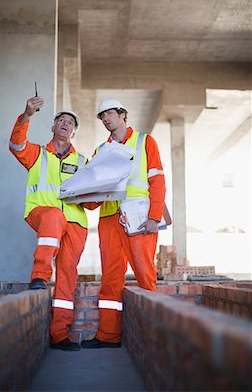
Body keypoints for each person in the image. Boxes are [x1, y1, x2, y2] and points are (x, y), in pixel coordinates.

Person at [81, 98, 166, 349]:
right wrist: (83, 197)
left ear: (122, 114)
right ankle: (108, 335)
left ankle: (152, 338)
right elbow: (93, 190)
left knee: (144, 274)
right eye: (102, 116)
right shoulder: (100, 151)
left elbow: (158, 181)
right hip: (109, 220)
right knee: (110, 278)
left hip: (139, 219)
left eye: (109, 113)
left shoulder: (145, 141)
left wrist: (154, 216)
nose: (106, 119)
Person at [9, 95, 88, 351]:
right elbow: (15, 144)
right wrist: (27, 115)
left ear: (73, 133)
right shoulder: (37, 154)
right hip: (42, 213)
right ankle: (40, 275)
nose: (65, 124)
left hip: (76, 222)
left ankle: (59, 334)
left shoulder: (83, 162)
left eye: (70, 123)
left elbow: (92, 201)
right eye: (61, 120)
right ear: (53, 127)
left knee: (67, 275)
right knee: (54, 215)